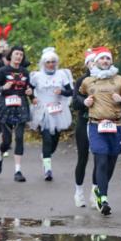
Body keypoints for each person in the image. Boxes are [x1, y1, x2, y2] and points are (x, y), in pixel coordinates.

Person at [79, 46, 121, 214]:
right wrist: (84, 102)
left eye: (108, 58)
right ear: (97, 61)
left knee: (111, 163)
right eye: (102, 58)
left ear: (111, 61)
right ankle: (104, 200)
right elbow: (77, 98)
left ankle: (99, 190)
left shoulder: (120, 80)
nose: (105, 61)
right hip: (96, 125)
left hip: (116, 125)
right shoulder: (88, 81)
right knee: (101, 160)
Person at [29, 47, 74, 181]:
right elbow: (29, 90)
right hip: (43, 110)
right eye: (48, 62)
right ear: (43, 63)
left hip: (58, 111)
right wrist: (33, 99)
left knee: (54, 141)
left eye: (53, 62)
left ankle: (46, 155)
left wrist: (62, 92)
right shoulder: (36, 76)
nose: (50, 64)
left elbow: (70, 91)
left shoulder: (62, 75)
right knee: (47, 138)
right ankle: (47, 169)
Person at [0, 45, 32, 182]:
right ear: (11, 56)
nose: (18, 56)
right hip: (5, 107)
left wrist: (31, 94)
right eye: (16, 54)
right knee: (7, 141)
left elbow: (29, 88)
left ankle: (18, 171)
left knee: (19, 138)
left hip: (21, 107)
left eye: (21, 54)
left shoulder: (25, 72)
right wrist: (3, 87)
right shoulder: (3, 71)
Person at [72, 48, 98, 207]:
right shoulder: (81, 81)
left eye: (97, 61)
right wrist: (84, 102)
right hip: (84, 122)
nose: (94, 64)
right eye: (91, 62)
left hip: (100, 124)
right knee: (83, 158)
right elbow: (74, 102)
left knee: (99, 159)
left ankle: (95, 193)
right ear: (87, 64)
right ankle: (78, 191)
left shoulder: (108, 80)